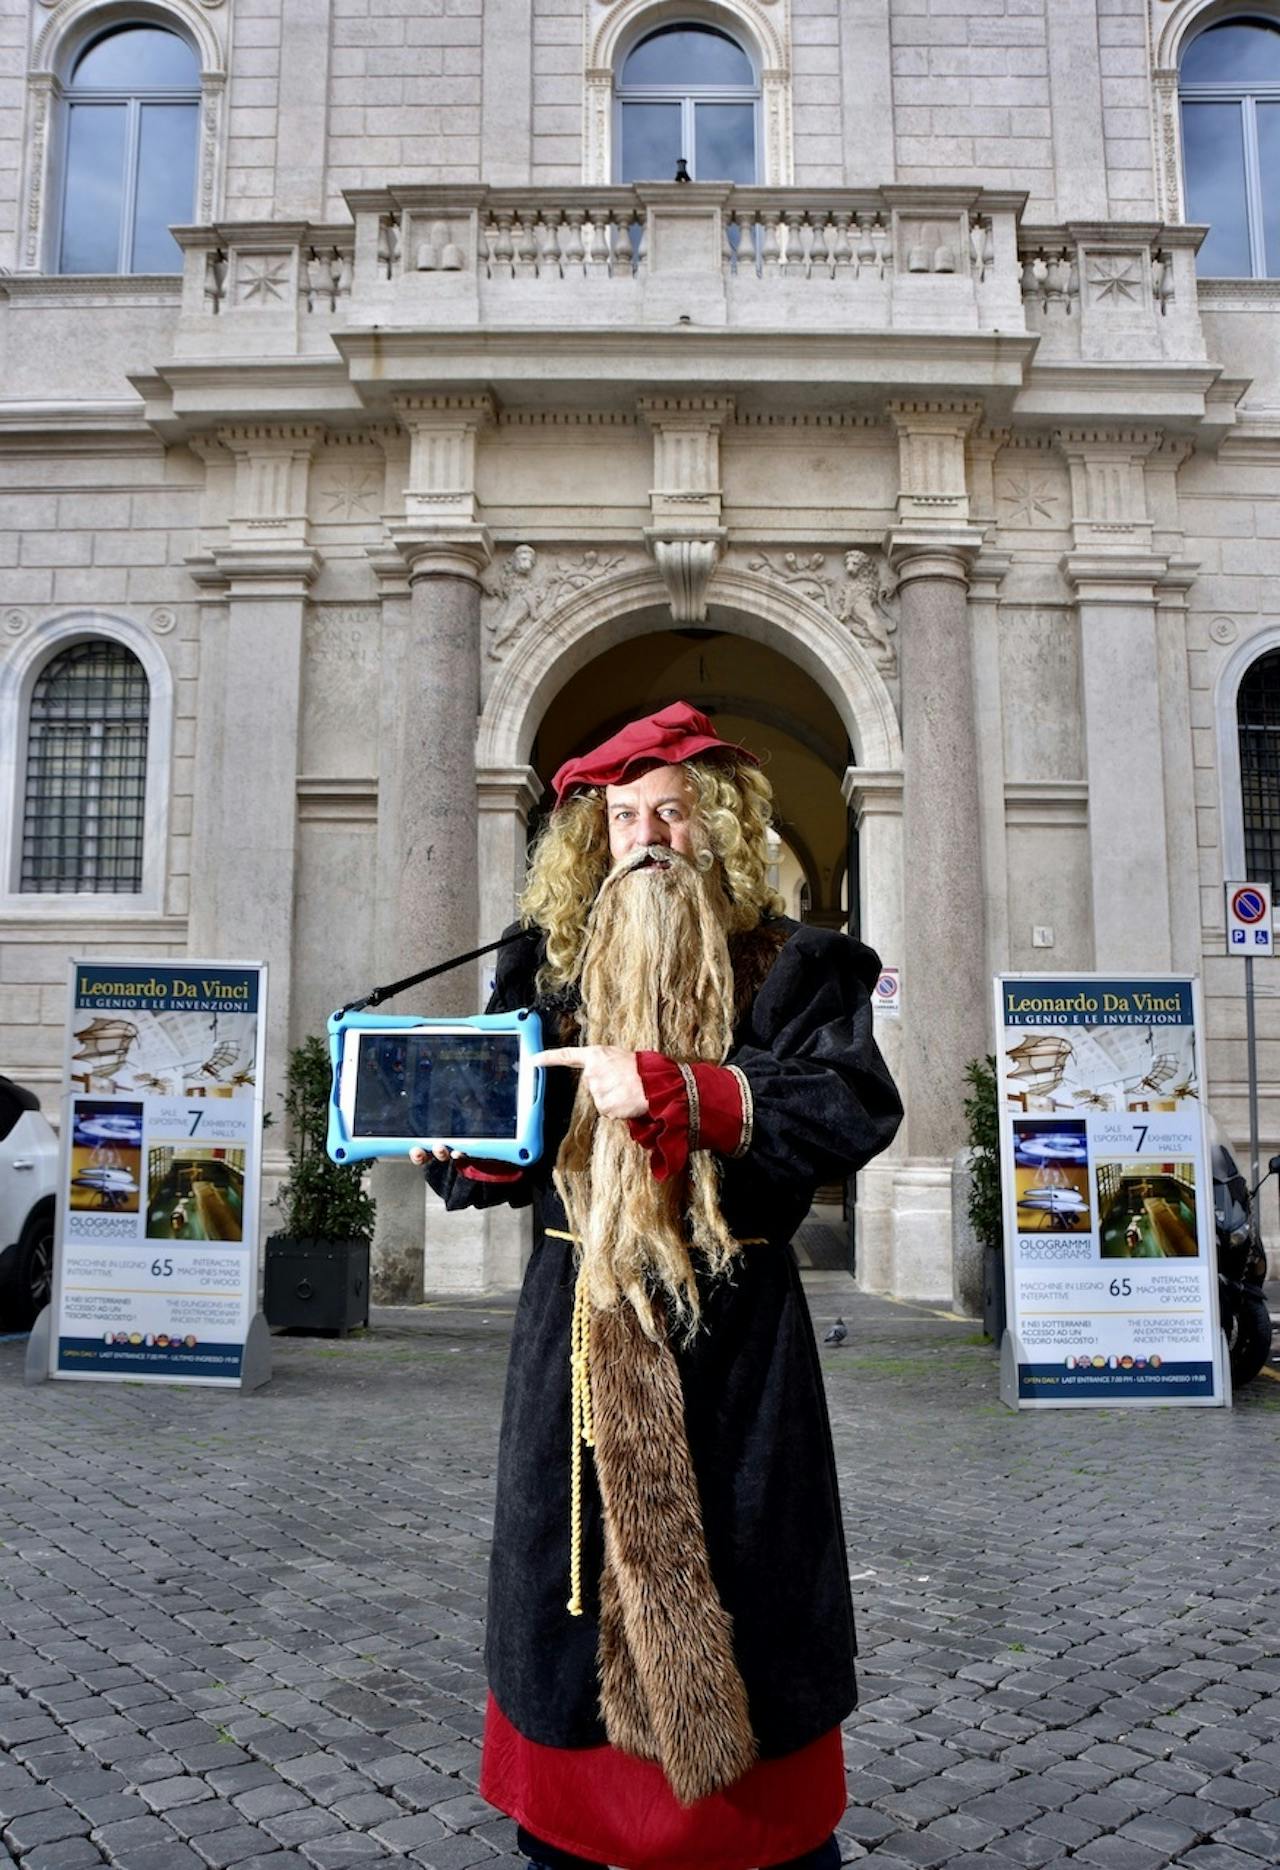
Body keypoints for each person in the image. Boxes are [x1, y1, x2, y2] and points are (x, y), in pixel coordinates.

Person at [416, 702, 902, 1870]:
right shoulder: (543, 968)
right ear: (593, 839)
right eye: (622, 817)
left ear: (716, 829)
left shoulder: (796, 966)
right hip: (575, 1331)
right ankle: (573, 1837)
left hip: (736, 1345)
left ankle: (755, 1838)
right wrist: (455, 1141)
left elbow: (851, 1112)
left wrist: (687, 1091)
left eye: (670, 814)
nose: (646, 838)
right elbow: (503, 1146)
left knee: (749, 1595)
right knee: (565, 1598)